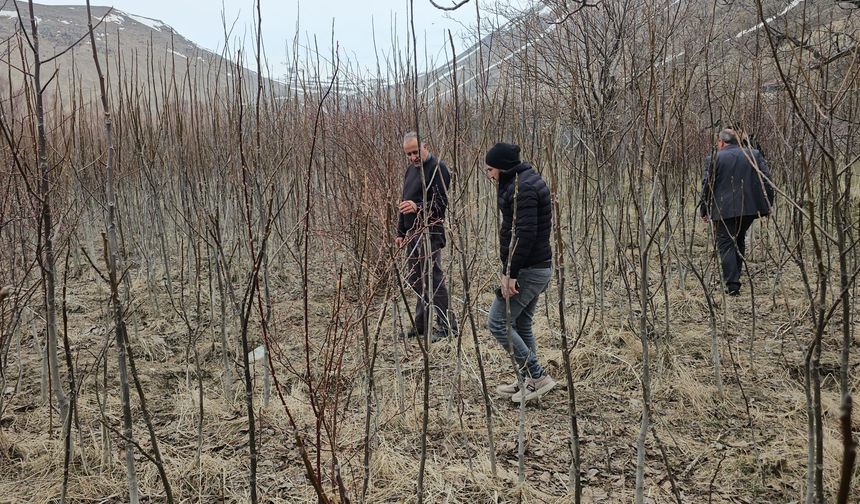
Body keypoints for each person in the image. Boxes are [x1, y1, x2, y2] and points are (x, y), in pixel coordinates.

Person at [484, 142, 556, 403]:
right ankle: (528, 379)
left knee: (497, 322)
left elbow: (524, 234)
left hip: (529, 269)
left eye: (490, 170)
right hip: (537, 267)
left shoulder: (522, 188)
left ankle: (537, 377)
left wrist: (511, 274)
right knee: (521, 322)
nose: (489, 175)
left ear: (503, 168)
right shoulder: (521, 182)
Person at [395, 131, 457, 342]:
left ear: (424, 146)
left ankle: (448, 325)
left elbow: (440, 205)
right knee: (417, 280)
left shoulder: (439, 168)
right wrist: (400, 232)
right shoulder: (410, 171)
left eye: (415, 152)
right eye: (408, 154)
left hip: (430, 232)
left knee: (433, 279)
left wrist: (418, 207)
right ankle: (421, 325)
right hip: (412, 234)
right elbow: (405, 202)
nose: (413, 157)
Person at [700, 129, 775, 296]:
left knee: (726, 243)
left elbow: (707, 185)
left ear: (721, 142)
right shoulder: (754, 154)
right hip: (749, 208)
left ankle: (732, 285)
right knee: (739, 238)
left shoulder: (714, 158)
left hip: (723, 209)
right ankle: (735, 276)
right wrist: (769, 203)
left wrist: (704, 209)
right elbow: (766, 179)